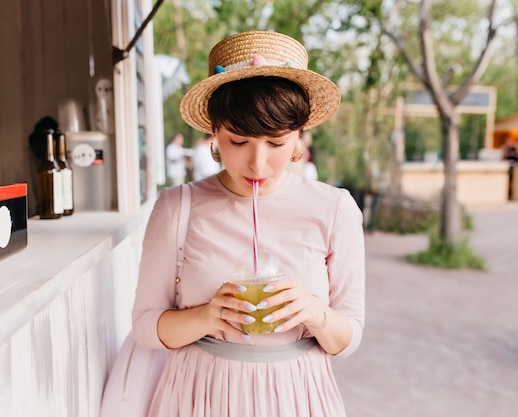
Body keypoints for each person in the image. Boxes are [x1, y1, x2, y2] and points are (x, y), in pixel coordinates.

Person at [133, 31, 365, 417]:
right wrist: (209, 315)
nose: (257, 165)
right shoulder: (178, 206)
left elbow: (349, 338)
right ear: (214, 133)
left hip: (298, 393)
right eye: (238, 142)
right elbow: (145, 327)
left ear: (300, 137)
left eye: (276, 143)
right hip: (200, 392)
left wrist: (313, 311)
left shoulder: (335, 208)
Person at [501, 133, 518, 199]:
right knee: (508, 181)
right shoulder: (505, 147)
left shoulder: (516, 145)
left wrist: (517, 151)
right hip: (508, 166)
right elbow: (503, 157)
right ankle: (509, 195)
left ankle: (513, 194)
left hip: (517, 167)